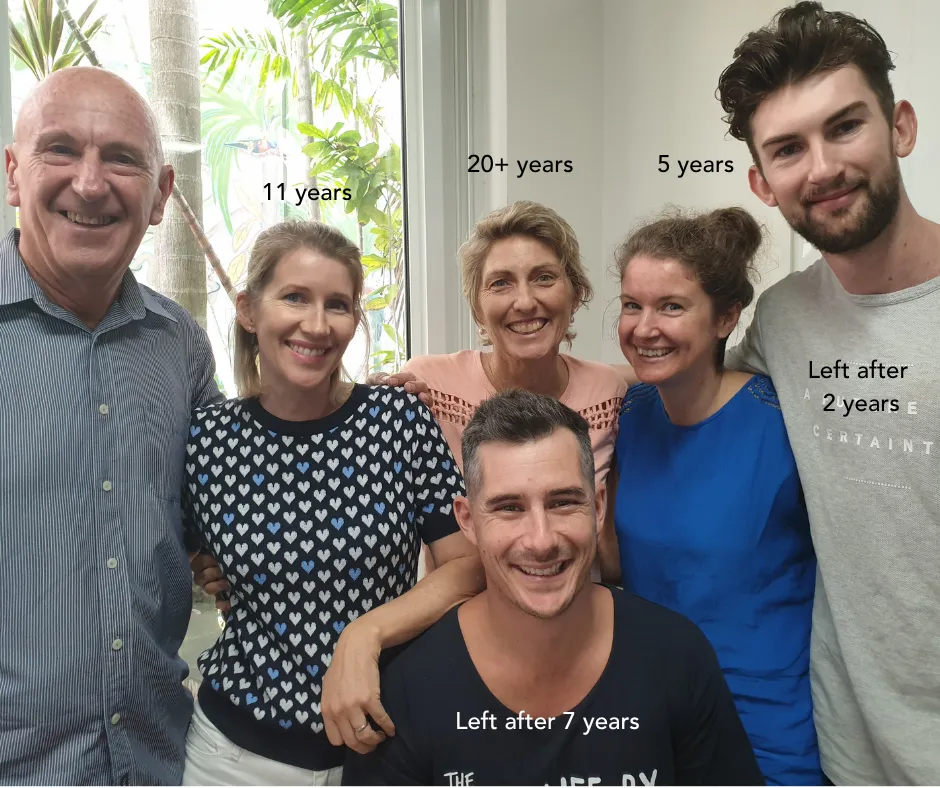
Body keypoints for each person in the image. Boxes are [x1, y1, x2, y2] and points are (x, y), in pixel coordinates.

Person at [717, 2, 940, 783]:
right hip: (848, 752)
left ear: (900, 126)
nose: (820, 169)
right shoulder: (784, 318)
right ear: (763, 183)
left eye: (844, 127)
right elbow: (693, 382)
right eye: (788, 148)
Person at [181, 220, 485, 785]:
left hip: (386, 747)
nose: (317, 325)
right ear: (248, 310)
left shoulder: (398, 421)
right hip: (234, 757)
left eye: (338, 305)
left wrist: (366, 632)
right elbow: (182, 551)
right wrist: (209, 568)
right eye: (294, 297)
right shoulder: (207, 440)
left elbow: (469, 566)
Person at [343, 389, 763, 786]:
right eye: (509, 508)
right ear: (467, 521)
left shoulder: (676, 657)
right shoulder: (408, 688)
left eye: (563, 502)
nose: (541, 541)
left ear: (598, 507)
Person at [0, 68, 221, 784]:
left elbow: (225, 514)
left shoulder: (180, 345)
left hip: (159, 764)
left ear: (160, 195)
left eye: (122, 158)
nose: (91, 184)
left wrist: (358, 405)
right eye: (60, 149)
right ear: (13, 173)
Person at [607, 207, 820, 785]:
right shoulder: (631, 414)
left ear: (726, 317)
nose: (644, 327)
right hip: (654, 715)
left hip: (764, 723)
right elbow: (618, 563)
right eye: (632, 305)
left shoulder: (782, 422)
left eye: (671, 307)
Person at [375, 201, 628, 572]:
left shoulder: (608, 392)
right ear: (477, 309)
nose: (524, 302)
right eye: (500, 283)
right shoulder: (429, 386)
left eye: (544, 278)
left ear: (575, 295)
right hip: (464, 603)